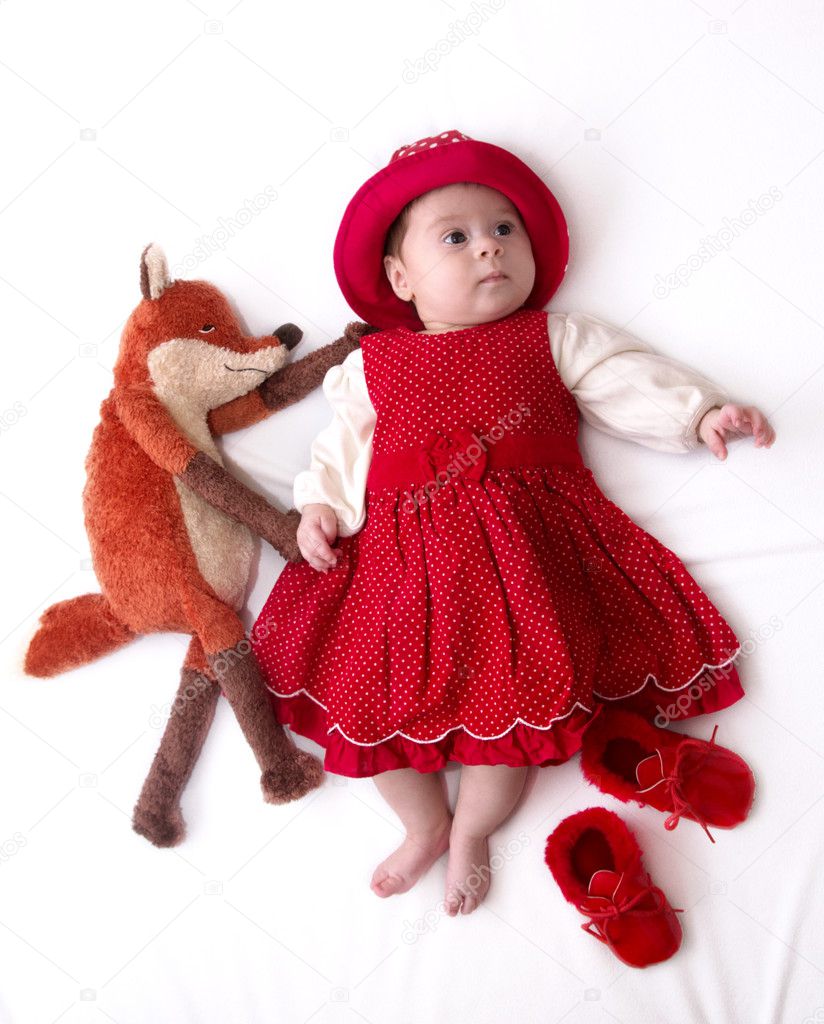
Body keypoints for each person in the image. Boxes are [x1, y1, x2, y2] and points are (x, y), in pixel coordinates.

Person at [251, 129, 776, 917]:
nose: (489, 251)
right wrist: (320, 508)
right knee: (362, 701)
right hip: (396, 560)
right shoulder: (373, 365)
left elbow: (623, 378)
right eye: (455, 238)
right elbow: (342, 447)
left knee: (519, 700)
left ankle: (472, 829)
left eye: (504, 231)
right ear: (401, 277)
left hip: (527, 559)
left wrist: (697, 411)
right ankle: (423, 823)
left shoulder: (553, 335)